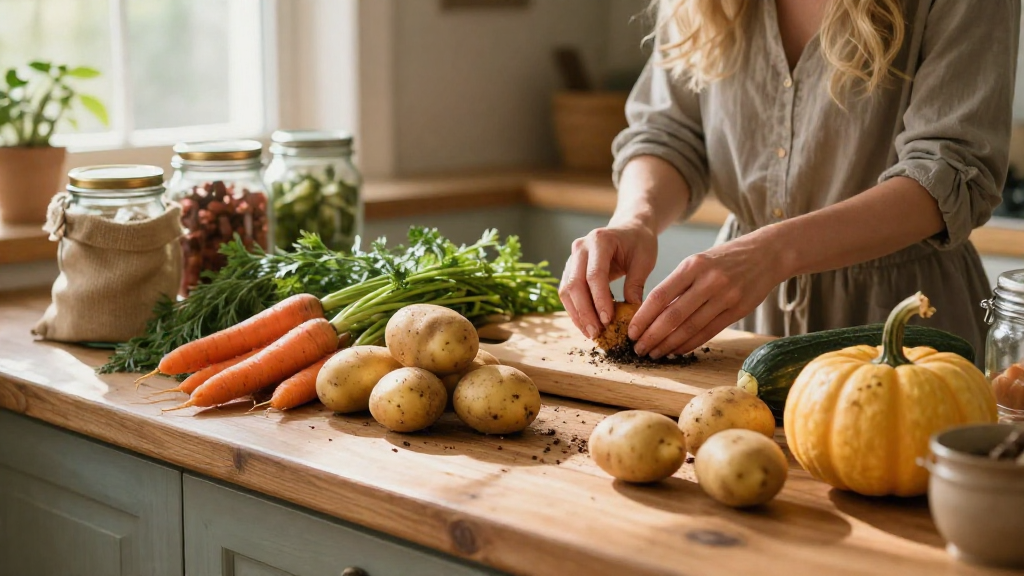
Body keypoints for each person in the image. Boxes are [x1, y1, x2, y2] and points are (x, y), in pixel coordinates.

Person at [558, 0, 1020, 361]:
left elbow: (949, 170)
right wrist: (635, 218)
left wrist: (771, 253)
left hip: (905, 316)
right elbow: (669, 133)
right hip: (747, 323)